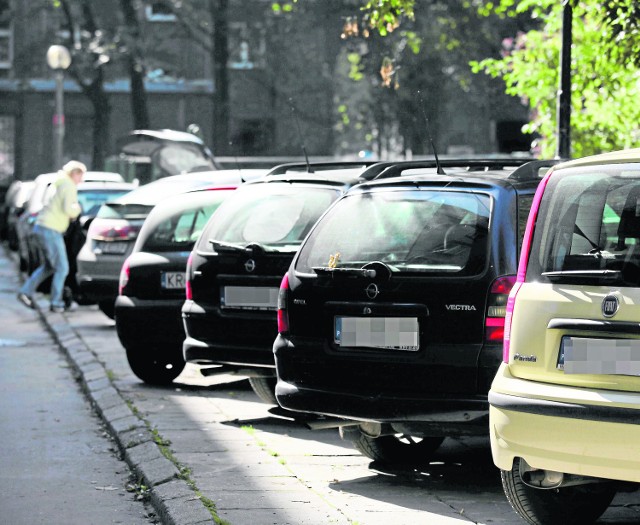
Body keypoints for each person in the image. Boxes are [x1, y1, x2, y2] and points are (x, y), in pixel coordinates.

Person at [17, 160, 86, 313]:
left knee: (49, 267)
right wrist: (78, 208)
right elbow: (69, 208)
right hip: (51, 229)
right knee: (62, 268)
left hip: (41, 227)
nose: (81, 180)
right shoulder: (68, 185)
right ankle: (56, 303)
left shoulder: (57, 182)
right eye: (81, 176)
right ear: (75, 174)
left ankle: (25, 292)